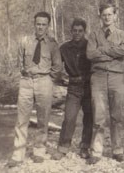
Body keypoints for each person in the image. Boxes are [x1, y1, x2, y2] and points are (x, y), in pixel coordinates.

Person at [7, 11, 62, 167]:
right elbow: (19, 60)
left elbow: (57, 66)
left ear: (48, 26)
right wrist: (25, 75)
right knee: (21, 118)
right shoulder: (25, 41)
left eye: (44, 24)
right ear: (34, 24)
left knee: (43, 119)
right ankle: (18, 154)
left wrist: (48, 80)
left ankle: (39, 150)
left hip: (44, 81)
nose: (40, 27)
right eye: (38, 24)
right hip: (26, 82)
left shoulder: (52, 44)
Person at [86, 3, 124, 164]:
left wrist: (103, 50)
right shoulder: (93, 35)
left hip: (116, 77)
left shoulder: (122, 34)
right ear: (100, 16)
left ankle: (117, 149)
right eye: (104, 14)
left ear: (115, 16)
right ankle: (96, 151)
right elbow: (90, 55)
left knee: (116, 115)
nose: (107, 17)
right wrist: (113, 51)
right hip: (98, 77)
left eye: (110, 14)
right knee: (98, 115)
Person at [50, 18, 93, 160]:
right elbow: (55, 65)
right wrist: (60, 79)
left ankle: (85, 147)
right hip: (73, 87)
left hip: (89, 86)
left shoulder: (90, 46)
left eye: (80, 31)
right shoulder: (64, 48)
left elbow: (98, 64)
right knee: (69, 117)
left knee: (89, 117)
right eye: (74, 30)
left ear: (84, 31)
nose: (77, 33)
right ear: (71, 31)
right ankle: (63, 148)